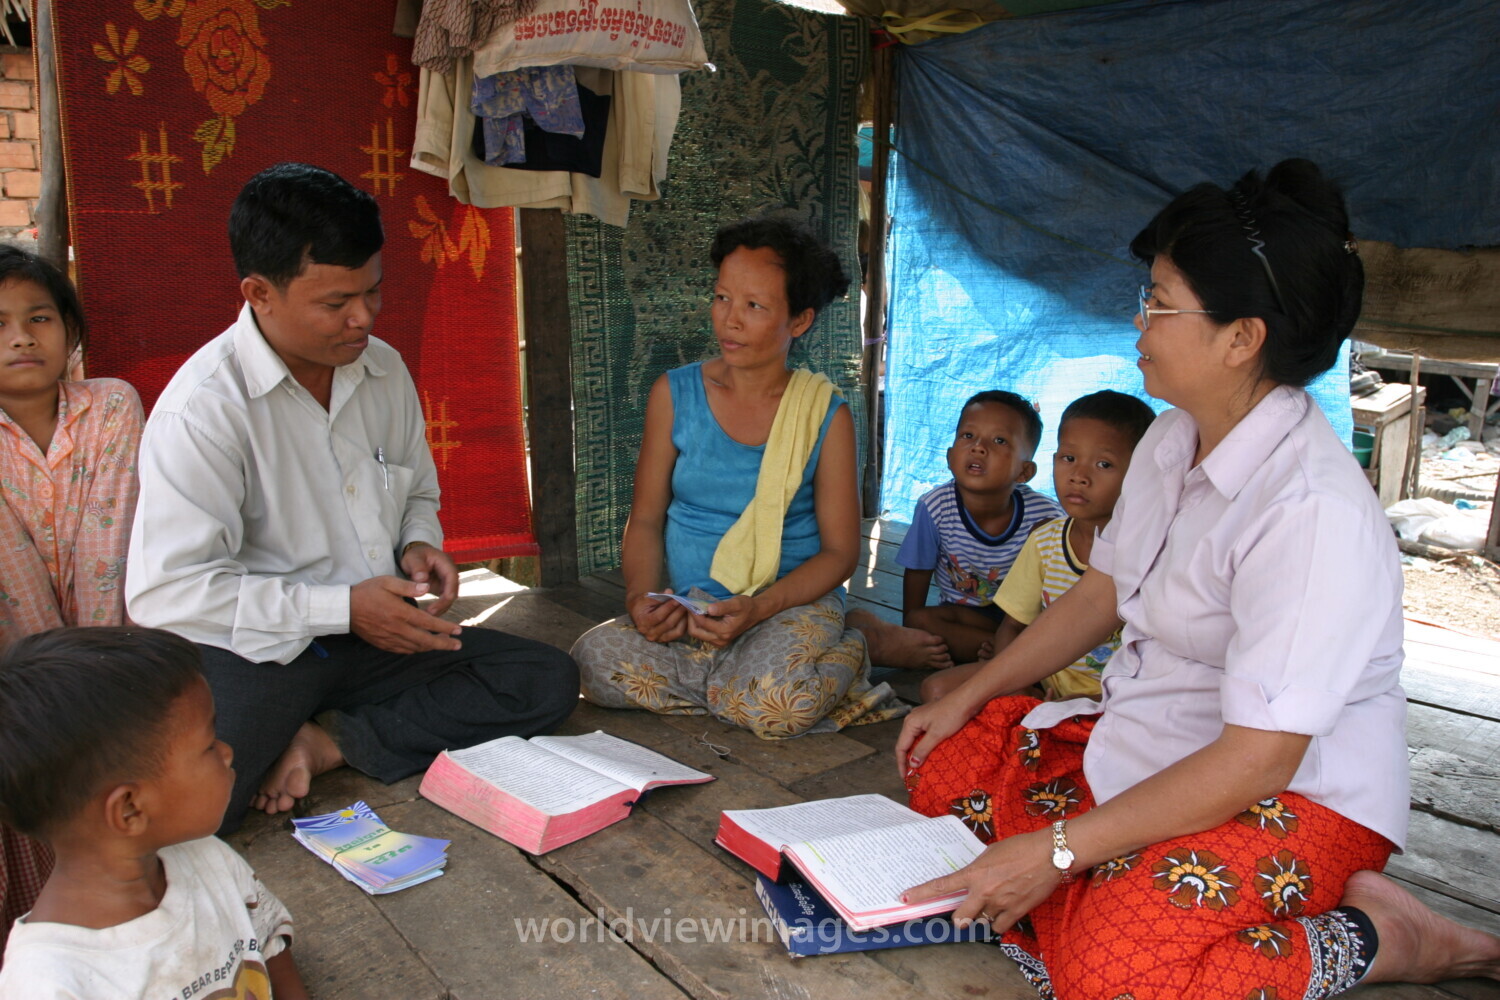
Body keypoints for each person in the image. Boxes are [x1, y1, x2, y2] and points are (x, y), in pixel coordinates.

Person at [895, 159, 1500, 997]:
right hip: (1150, 745)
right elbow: (1105, 592)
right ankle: (1088, 895)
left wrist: (1061, 850)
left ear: (1241, 337)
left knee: (1116, 975)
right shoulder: (1176, 438)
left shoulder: (1308, 511)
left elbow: (1257, 762)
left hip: (1291, 794)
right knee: (945, 757)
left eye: (1159, 301)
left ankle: (1385, 935)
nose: (1139, 322)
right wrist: (968, 691)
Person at [126, 163, 579, 833]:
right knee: (195, 813)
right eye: (335, 303)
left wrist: (418, 542)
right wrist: (339, 608)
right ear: (259, 293)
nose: (362, 317)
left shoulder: (382, 369)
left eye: (372, 291)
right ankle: (296, 729)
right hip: (260, 653)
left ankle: (328, 742)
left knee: (544, 679)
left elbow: (417, 487)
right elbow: (164, 593)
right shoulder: (205, 411)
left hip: (372, 644)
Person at [571, 213, 906, 739]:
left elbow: (840, 555)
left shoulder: (825, 415)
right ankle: (734, 687)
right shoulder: (674, 394)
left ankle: (855, 643)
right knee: (590, 663)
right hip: (696, 610)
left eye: (754, 306)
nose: (729, 320)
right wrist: (642, 599)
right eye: (722, 298)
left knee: (779, 705)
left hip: (786, 606)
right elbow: (645, 521)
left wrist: (759, 608)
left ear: (798, 321)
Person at [0, 627, 307, 999]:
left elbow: (271, 950)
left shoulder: (208, 860)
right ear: (130, 809)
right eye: (209, 745)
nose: (227, 752)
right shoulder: (50, 982)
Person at [0, 244, 144, 963]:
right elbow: (11, 578)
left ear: (70, 329)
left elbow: (106, 550)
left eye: (38, 318)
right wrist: (54, 702)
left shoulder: (109, 407)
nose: (21, 337)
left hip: (110, 665)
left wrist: (94, 694)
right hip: (18, 690)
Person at [920, 390, 1154, 703]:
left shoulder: (1152, 550)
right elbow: (1012, 627)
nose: (1079, 476)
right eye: (1068, 459)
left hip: (1117, 699)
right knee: (935, 690)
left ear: (1140, 475)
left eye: (1103, 464)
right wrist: (1015, 687)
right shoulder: (1046, 542)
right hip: (1045, 684)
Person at [888, 391, 1063, 665]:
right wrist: (910, 638)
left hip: (1021, 620)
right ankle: (1008, 656)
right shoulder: (934, 507)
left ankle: (1008, 654)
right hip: (965, 615)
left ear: (1024, 472)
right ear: (949, 456)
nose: (979, 447)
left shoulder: (1046, 517)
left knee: (1045, 633)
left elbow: (1058, 589)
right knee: (919, 620)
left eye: (999, 440)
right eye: (968, 436)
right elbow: (918, 571)